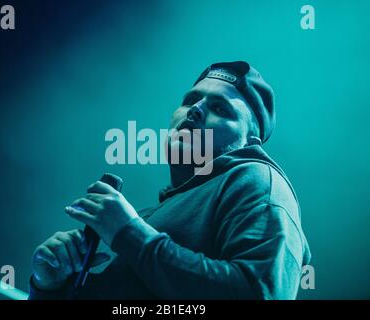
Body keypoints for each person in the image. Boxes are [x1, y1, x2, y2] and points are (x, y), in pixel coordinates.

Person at [29, 61, 311, 299]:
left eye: (221, 109)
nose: (195, 109)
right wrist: (50, 286)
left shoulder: (258, 180)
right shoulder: (153, 216)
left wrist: (129, 233)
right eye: (190, 100)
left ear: (250, 141)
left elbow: (260, 292)